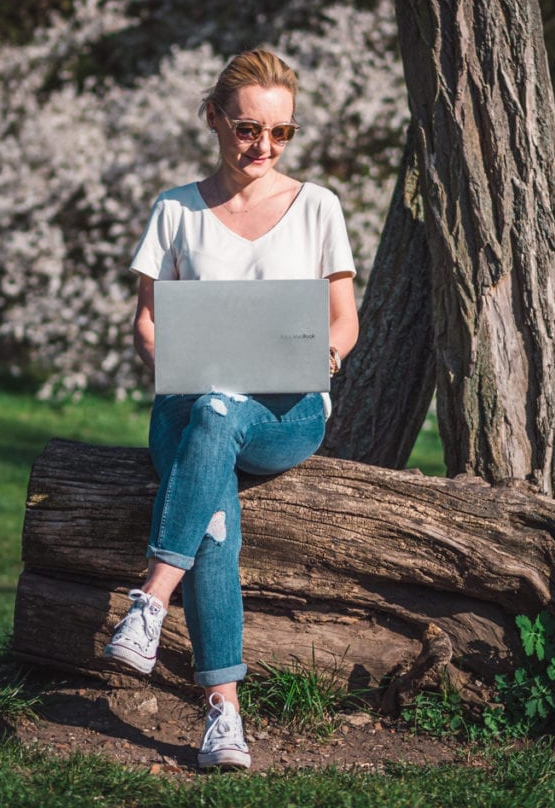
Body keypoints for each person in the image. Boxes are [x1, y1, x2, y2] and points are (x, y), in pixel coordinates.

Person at [103, 49, 359, 769]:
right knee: (213, 508)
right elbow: (147, 324)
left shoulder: (317, 207)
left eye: (280, 133)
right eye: (248, 129)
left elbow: (347, 321)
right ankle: (224, 717)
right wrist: (176, 366)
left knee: (221, 411)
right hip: (192, 409)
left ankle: (150, 600)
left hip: (288, 413)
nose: (263, 147)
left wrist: (321, 357)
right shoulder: (176, 209)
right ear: (215, 118)